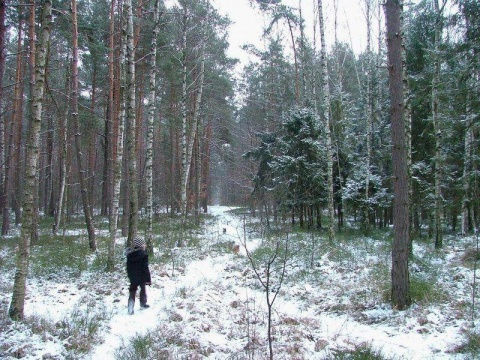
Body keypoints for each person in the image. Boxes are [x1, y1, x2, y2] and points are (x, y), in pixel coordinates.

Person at [126, 236, 151, 314]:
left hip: (132, 276)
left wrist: (130, 276)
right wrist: (148, 279)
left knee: (132, 290)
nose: (145, 245)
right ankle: (143, 304)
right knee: (143, 289)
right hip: (142, 276)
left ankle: (130, 307)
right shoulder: (144, 254)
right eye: (144, 244)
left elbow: (128, 267)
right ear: (141, 245)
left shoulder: (129, 254)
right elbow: (145, 268)